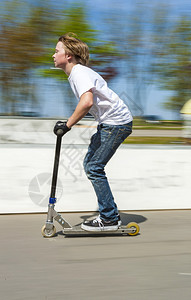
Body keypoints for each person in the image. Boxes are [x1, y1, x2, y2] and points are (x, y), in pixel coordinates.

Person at [52, 33, 133, 231]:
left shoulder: (79, 73)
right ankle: (109, 213)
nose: (53, 55)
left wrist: (67, 125)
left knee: (94, 167)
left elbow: (86, 102)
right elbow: (90, 102)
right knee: (90, 164)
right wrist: (68, 122)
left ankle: (110, 218)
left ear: (68, 55)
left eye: (57, 51)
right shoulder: (77, 74)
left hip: (116, 123)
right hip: (110, 123)